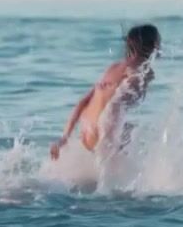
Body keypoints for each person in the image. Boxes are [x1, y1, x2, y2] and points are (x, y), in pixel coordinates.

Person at [50, 25, 160, 162]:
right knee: (134, 133)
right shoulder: (143, 71)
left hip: (86, 132)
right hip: (100, 132)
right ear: (154, 46)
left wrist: (65, 137)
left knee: (129, 128)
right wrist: (108, 141)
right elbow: (116, 104)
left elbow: (83, 102)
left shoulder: (113, 68)